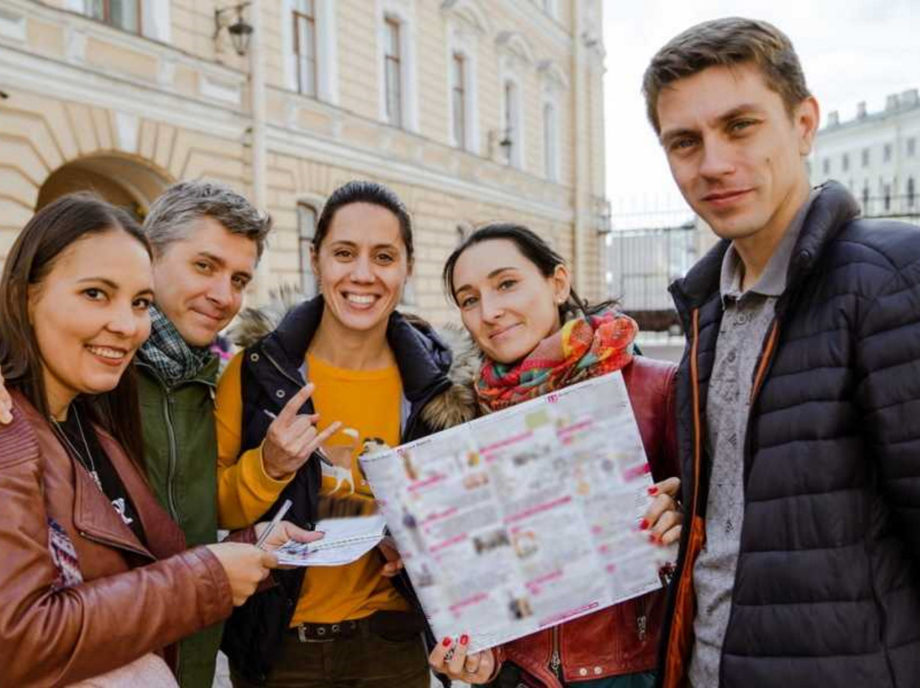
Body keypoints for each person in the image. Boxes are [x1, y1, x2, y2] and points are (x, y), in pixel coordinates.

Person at [0, 193, 320, 686]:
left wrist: (250, 538)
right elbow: (17, 638)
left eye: (138, 303)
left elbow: (136, 546)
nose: (125, 324)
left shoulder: (101, 405)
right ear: (25, 295)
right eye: (95, 294)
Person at [642, 18, 920, 688]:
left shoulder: (892, 279)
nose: (713, 163)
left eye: (740, 126)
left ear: (803, 124)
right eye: (685, 141)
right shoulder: (710, 306)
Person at [215, 180, 477, 687]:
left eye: (384, 256)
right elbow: (214, 510)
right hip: (278, 648)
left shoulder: (440, 388)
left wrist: (416, 546)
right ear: (315, 260)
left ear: (407, 267)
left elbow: (464, 516)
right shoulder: (257, 371)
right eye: (343, 253)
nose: (363, 274)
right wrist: (268, 467)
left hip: (390, 645)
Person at [426, 224, 681, 687]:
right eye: (469, 299)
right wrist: (487, 655)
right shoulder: (464, 419)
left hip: (629, 675)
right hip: (521, 678)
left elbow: (724, 537)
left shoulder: (656, 388)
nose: (489, 311)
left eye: (506, 284)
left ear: (558, 283)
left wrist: (680, 516)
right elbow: (488, 576)